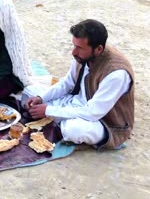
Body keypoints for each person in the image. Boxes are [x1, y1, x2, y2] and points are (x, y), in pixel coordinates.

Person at [25, 19, 135, 149]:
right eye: (74, 46)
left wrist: (49, 110)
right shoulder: (83, 55)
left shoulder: (116, 73)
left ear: (98, 49)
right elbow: (66, 83)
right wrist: (41, 98)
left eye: (79, 48)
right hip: (75, 103)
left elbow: (93, 112)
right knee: (29, 92)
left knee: (73, 130)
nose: (74, 52)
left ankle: (60, 123)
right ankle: (59, 120)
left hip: (103, 121)